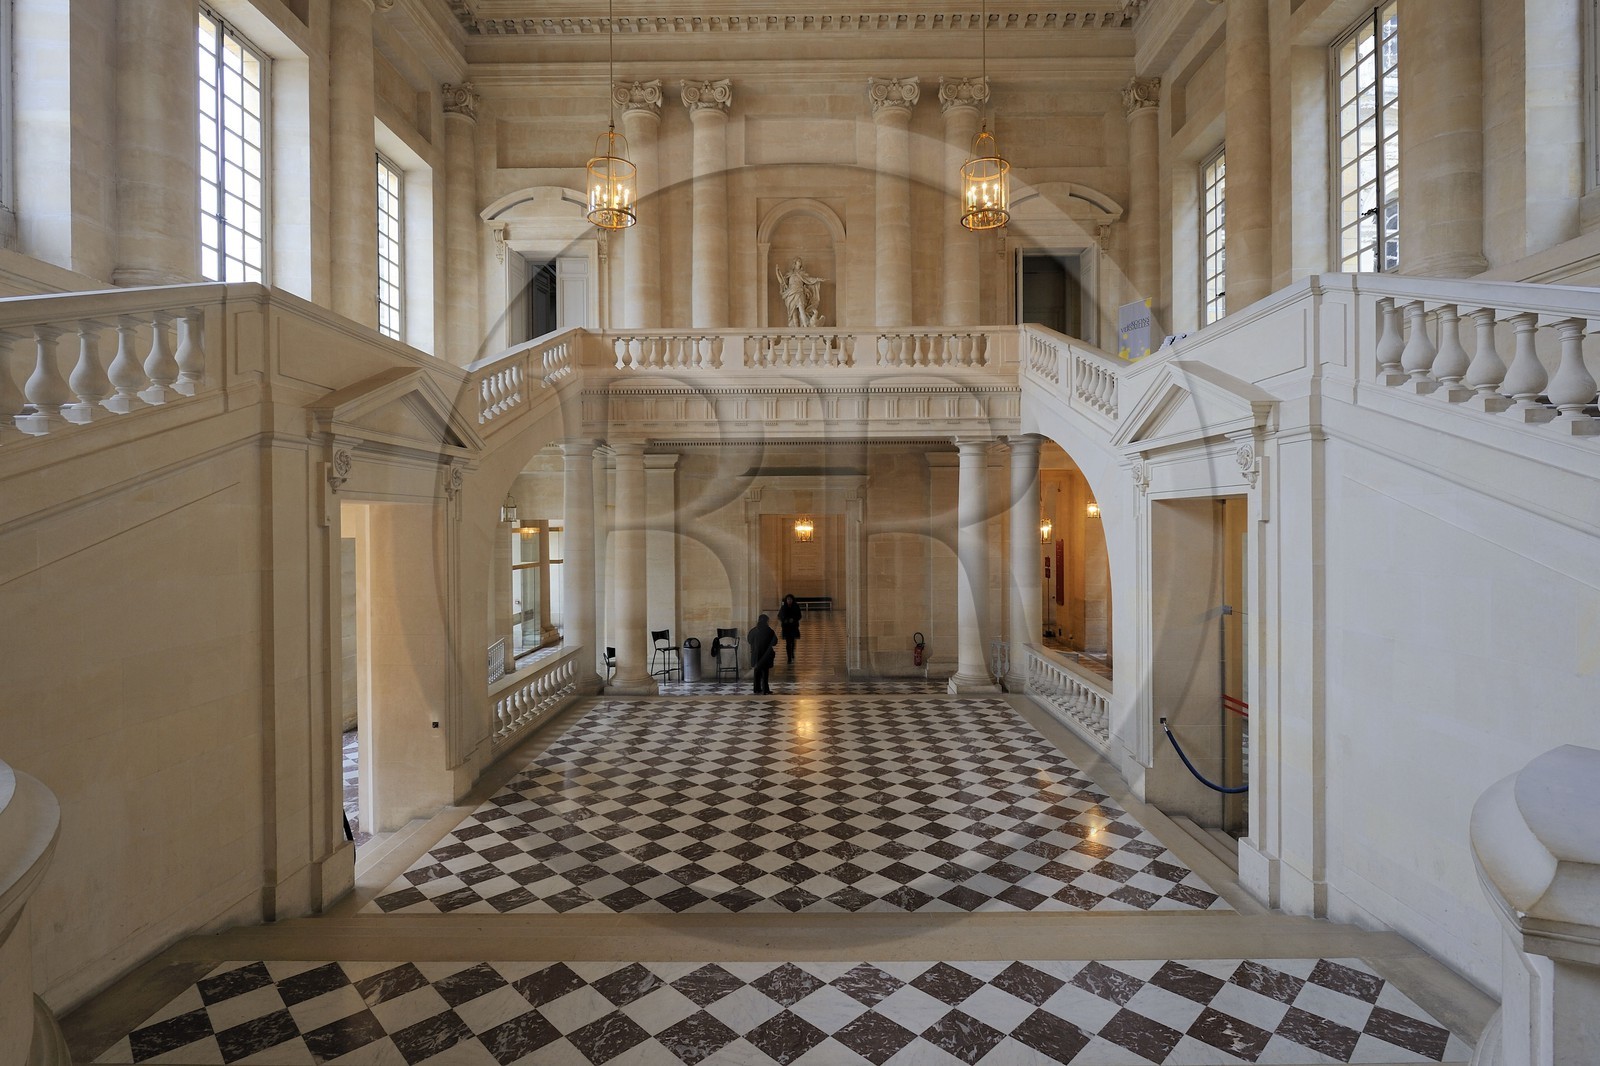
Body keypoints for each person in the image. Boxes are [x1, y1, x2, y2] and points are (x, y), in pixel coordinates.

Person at [776, 258, 823, 327]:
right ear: (795, 263)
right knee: (794, 312)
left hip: (799, 292)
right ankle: (796, 329)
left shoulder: (802, 274)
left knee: (801, 309)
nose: (800, 262)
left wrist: (817, 279)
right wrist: (777, 272)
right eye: (799, 261)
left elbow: (809, 280)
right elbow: (782, 282)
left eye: (800, 261)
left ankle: (805, 326)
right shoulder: (789, 274)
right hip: (790, 293)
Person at [746, 613, 777, 695]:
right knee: (765, 673)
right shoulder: (769, 631)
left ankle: (756, 689)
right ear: (767, 621)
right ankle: (765, 689)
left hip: (756, 655)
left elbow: (749, 640)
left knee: (756, 672)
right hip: (766, 655)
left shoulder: (753, 631)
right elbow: (775, 642)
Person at [777, 594, 802, 665]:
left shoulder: (796, 606)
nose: (789, 601)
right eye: (788, 599)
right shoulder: (783, 607)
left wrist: (793, 619)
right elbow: (779, 616)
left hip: (794, 627)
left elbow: (799, 616)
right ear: (786, 600)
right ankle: (789, 658)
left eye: (790, 599)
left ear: (792, 600)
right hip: (786, 627)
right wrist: (785, 620)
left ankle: (792, 652)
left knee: (793, 641)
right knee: (788, 643)